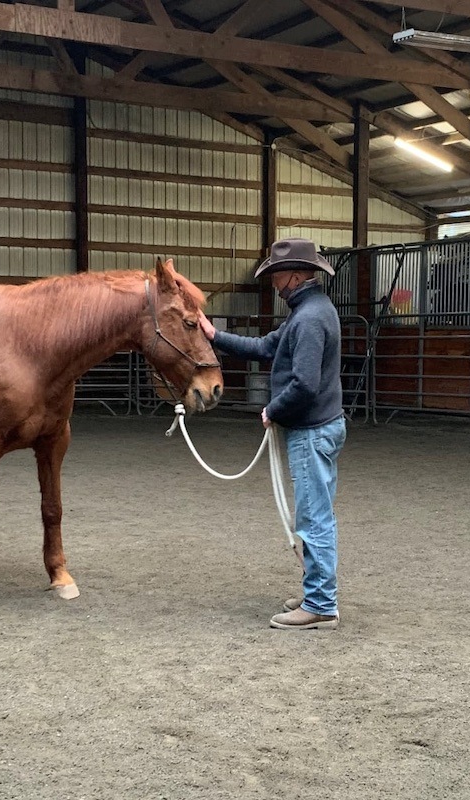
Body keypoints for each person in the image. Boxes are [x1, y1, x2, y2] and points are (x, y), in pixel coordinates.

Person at [198, 237, 346, 631]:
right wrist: (215, 336)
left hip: (311, 430)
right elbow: (265, 347)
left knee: (313, 519)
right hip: (319, 427)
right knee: (316, 515)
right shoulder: (310, 312)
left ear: (294, 275)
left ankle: (320, 605)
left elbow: (304, 384)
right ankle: (318, 593)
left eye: (276, 278)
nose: (274, 286)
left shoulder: (310, 319)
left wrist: (272, 408)